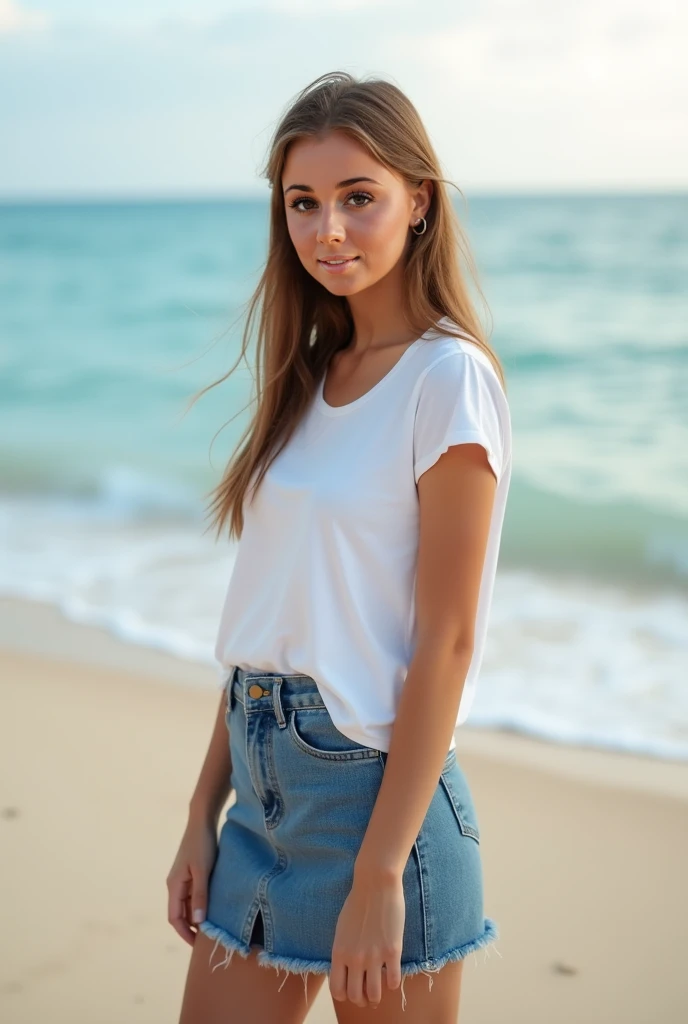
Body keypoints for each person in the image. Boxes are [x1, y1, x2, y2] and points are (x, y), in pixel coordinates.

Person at [170, 70, 512, 1024]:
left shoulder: (450, 379)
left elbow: (446, 641)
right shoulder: (310, 377)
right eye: (303, 203)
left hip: (377, 802)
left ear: (419, 203)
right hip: (261, 787)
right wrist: (202, 817)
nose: (329, 229)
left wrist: (380, 873)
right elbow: (269, 625)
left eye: (359, 198)